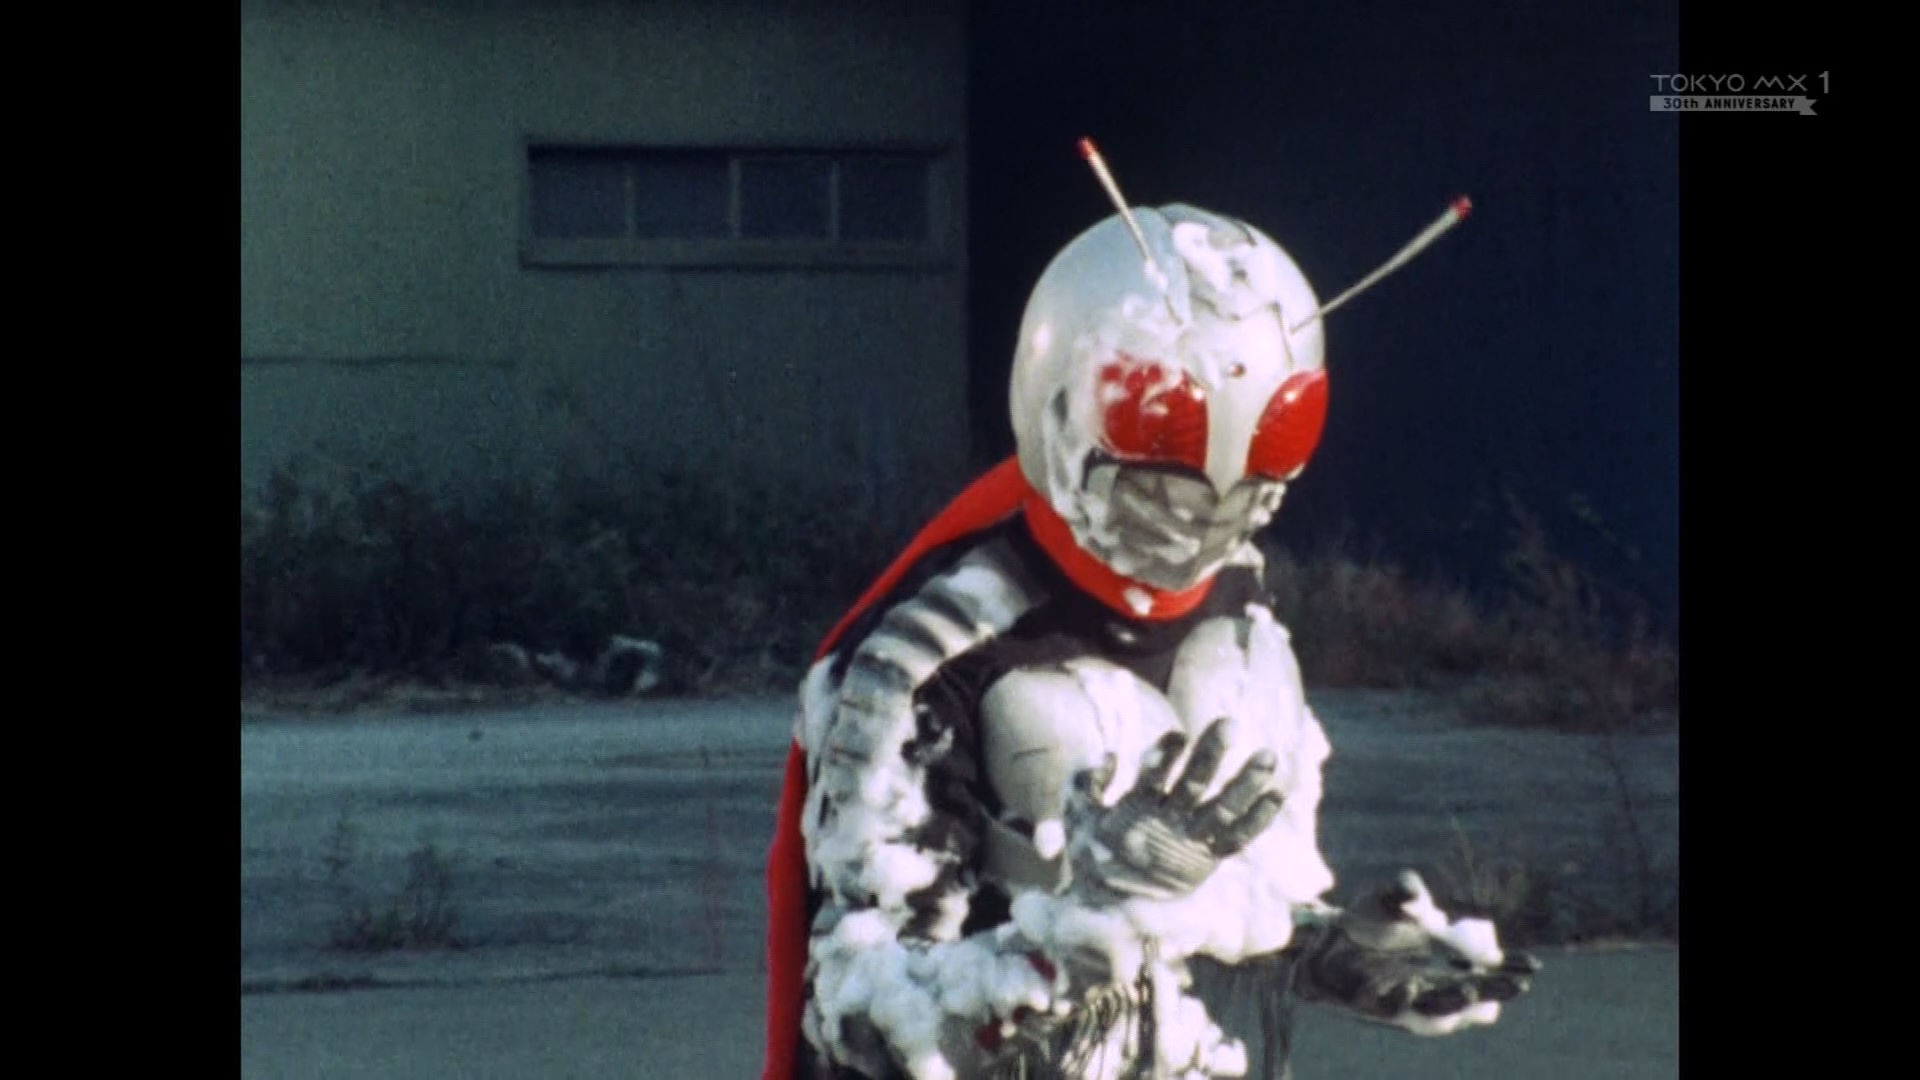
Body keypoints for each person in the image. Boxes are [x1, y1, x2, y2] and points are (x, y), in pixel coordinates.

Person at [762, 198, 1538, 1080]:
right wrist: (1079, 936)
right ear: (1062, 407)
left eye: (1273, 437)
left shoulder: (1235, 602)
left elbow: (1213, 907)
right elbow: (859, 1012)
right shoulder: (926, 660)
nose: (1205, 507)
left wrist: (1327, 951)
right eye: (1161, 431)